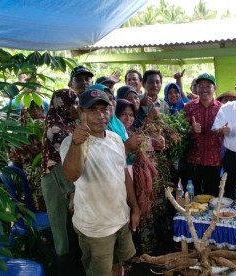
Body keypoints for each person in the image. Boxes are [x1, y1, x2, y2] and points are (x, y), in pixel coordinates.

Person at [61, 88, 140, 276]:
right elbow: (71, 175)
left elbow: (124, 176)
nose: (100, 115)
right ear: (81, 113)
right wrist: (77, 144)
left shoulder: (115, 139)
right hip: (95, 228)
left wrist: (134, 208)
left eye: (104, 109)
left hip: (121, 219)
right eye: (92, 110)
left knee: (120, 263)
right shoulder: (70, 143)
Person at [40, 65, 93, 276]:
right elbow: (67, 156)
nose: (76, 109)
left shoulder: (69, 123)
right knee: (61, 228)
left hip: (68, 182)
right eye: (73, 104)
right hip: (56, 182)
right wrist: (71, 190)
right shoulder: (56, 127)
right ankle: (64, 269)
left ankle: (73, 266)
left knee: (72, 227)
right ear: (62, 104)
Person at [182, 73, 223, 196]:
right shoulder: (188, 107)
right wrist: (191, 130)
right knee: (193, 196)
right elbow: (180, 133)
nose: (204, 89)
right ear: (196, 88)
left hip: (214, 161)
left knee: (212, 196)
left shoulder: (222, 109)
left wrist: (223, 132)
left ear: (214, 88)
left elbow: (228, 132)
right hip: (193, 160)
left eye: (208, 86)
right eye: (200, 86)